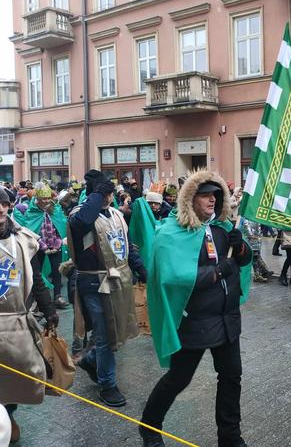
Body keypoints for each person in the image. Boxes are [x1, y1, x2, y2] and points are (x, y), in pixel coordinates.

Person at [141, 169, 251, 447]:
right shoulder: (172, 231)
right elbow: (171, 274)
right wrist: (215, 272)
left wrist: (239, 249)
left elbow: (245, 260)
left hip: (227, 317)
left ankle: (230, 437)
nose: (212, 200)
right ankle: (150, 426)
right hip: (194, 319)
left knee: (231, 376)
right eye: (205, 195)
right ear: (191, 198)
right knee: (179, 378)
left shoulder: (223, 227)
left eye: (216, 195)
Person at [68, 170, 147, 407]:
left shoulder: (115, 215)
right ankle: (107, 384)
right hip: (94, 284)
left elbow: (125, 244)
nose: (108, 197)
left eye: (109, 192)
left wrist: (140, 267)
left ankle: (91, 359)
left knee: (116, 331)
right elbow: (84, 220)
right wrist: (96, 191)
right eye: (104, 193)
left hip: (119, 281)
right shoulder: (78, 216)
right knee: (105, 333)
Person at [0, 186, 59, 444]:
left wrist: (48, 308)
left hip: (16, 321)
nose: (0, 209)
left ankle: (8, 414)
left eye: (3, 204)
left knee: (15, 374)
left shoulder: (23, 239)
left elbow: (36, 280)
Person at [13, 182, 69, 309]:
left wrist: (58, 244)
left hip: (55, 245)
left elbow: (60, 226)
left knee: (57, 270)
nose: (47, 201)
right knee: (36, 273)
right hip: (38, 246)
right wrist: (43, 246)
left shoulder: (55, 208)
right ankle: (37, 300)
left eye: (48, 198)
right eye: (44, 198)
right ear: (37, 198)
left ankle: (58, 296)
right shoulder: (31, 210)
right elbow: (30, 231)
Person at [239, 217, 272, 282]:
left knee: (257, 256)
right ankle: (257, 275)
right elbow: (246, 226)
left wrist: (259, 236)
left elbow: (258, 227)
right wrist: (251, 236)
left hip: (256, 239)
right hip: (250, 240)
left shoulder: (254, 217)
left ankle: (264, 271)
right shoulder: (247, 217)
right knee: (254, 257)